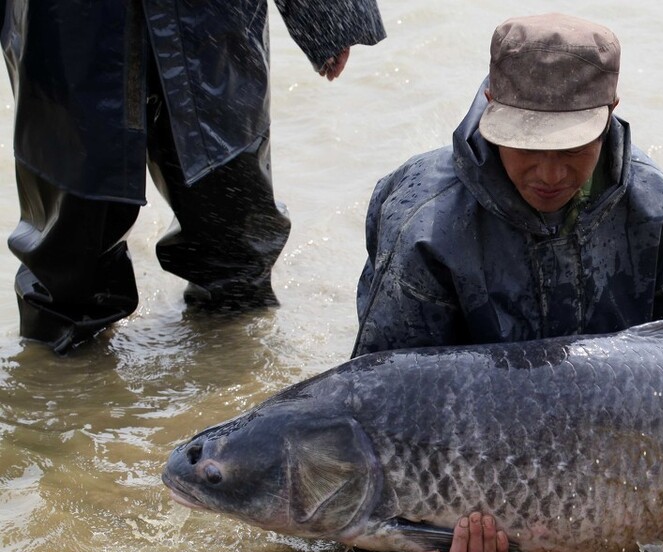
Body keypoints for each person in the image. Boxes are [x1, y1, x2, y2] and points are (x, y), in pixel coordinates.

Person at [352, 13, 663, 552]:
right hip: (467, 462)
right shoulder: (422, 224)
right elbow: (383, 405)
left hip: (609, 447)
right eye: (526, 145)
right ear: (490, 106)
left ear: (610, 113)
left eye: (572, 148)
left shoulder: (655, 206)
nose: (549, 172)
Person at [2, 0, 386, 354]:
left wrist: (326, 17)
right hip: (64, 22)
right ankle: (57, 398)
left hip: (208, 22)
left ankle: (234, 378)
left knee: (233, 233)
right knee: (67, 255)